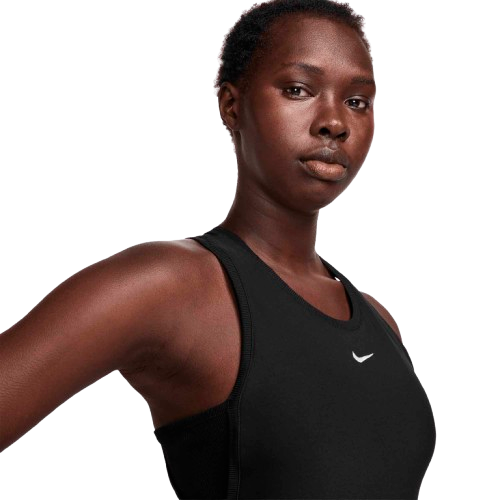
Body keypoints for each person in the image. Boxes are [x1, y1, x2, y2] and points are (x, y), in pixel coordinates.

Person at [0, 0, 436, 498]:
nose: (334, 122)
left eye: (357, 101)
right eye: (298, 89)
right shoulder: (171, 286)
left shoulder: (379, 320)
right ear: (232, 105)